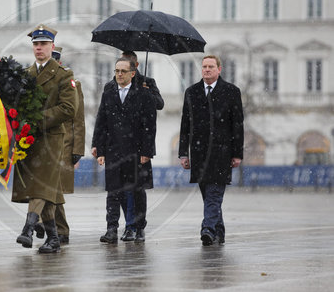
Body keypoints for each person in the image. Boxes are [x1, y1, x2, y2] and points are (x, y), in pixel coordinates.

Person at [11, 24, 77, 253]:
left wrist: (38, 117)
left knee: (39, 186)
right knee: (45, 190)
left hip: (52, 139)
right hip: (29, 140)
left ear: (52, 46)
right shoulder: (26, 75)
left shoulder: (63, 75)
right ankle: (54, 238)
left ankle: (28, 229)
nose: (39, 48)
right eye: (36, 44)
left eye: (43, 44)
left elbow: (69, 108)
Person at [93, 50, 164, 242]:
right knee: (113, 190)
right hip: (114, 148)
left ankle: (135, 226)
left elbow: (150, 125)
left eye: (123, 71)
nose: (119, 74)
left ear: (133, 72)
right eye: (116, 70)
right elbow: (102, 120)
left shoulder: (144, 90)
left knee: (135, 190)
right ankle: (112, 229)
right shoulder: (109, 90)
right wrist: (98, 147)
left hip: (136, 150)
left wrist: (148, 151)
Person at [178, 55, 244, 246]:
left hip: (222, 153)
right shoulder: (192, 92)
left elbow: (237, 125)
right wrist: (183, 152)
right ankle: (219, 231)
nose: (206, 69)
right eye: (204, 66)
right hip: (199, 153)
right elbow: (185, 125)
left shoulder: (231, 92)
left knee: (214, 193)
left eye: (211, 66)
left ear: (219, 69)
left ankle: (207, 228)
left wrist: (237, 153)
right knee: (208, 194)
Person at [52, 46, 85, 244]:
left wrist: (77, 150)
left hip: (64, 144)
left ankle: (40, 221)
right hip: (42, 142)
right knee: (48, 187)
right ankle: (60, 229)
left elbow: (78, 120)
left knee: (51, 187)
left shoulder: (73, 85)